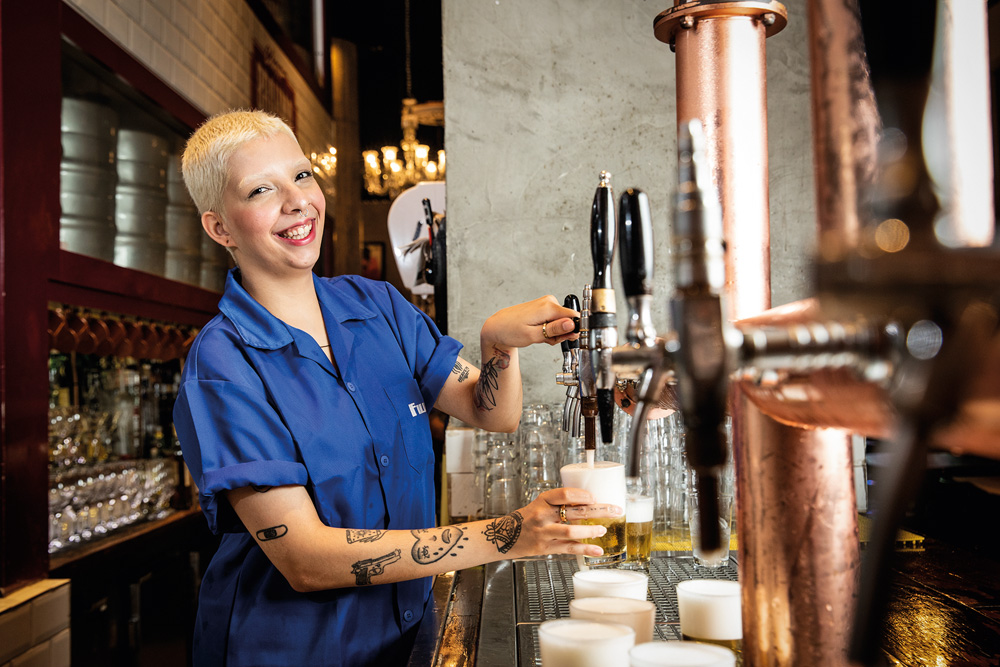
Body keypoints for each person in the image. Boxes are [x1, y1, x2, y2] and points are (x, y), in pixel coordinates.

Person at [172, 109, 621, 666]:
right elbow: (304, 558)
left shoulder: (375, 307)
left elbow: (491, 413)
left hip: (407, 634)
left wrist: (498, 345)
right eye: (262, 189)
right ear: (219, 227)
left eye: (303, 176)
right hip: (291, 650)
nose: (296, 201)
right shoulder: (223, 364)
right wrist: (508, 534)